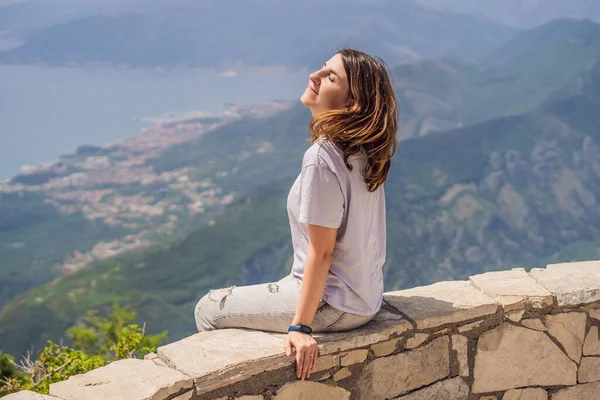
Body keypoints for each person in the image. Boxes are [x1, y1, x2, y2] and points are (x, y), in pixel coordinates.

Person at [194, 48, 398, 381]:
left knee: (208, 309)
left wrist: (300, 326)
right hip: (364, 298)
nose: (314, 76)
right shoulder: (363, 152)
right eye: (321, 68)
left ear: (351, 104)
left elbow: (323, 251)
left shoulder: (323, 157)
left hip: (334, 303)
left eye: (330, 77)